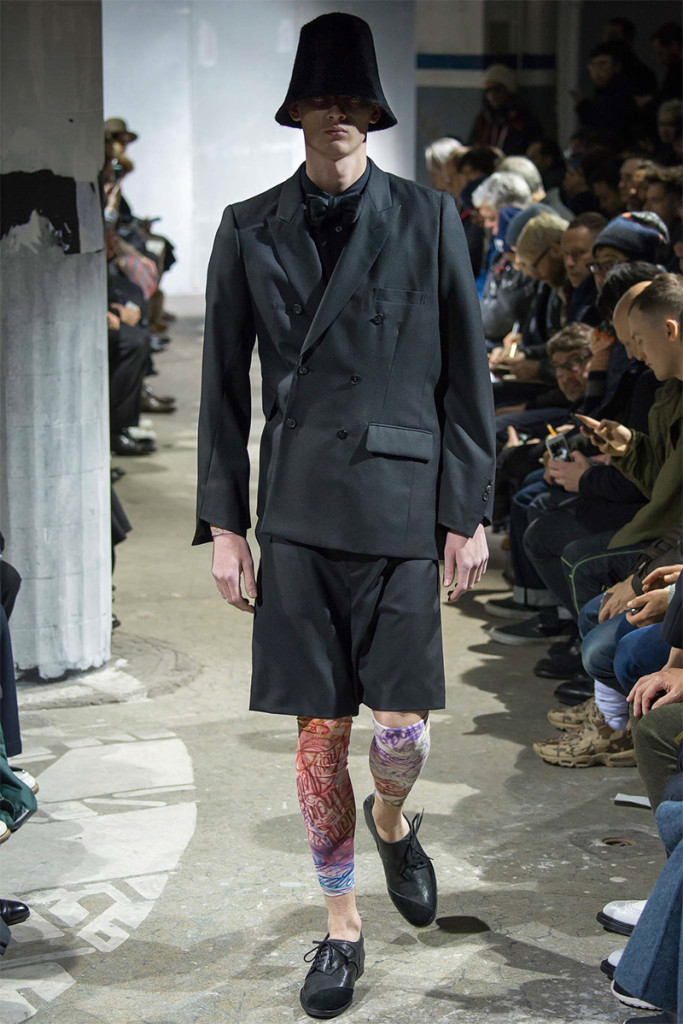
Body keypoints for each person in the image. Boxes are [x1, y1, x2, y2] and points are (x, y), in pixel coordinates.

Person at [194, 13, 496, 1018]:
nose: (337, 114)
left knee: (399, 728)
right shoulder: (248, 226)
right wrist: (224, 525)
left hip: (402, 504)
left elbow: (465, 378)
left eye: (352, 99)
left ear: (373, 112)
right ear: (296, 113)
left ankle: (392, 820)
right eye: (321, 98)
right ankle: (340, 925)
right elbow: (221, 386)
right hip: (298, 507)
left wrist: (468, 511)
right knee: (318, 732)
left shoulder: (428, 218)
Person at [469, 64, 542, 155]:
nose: (492, 95)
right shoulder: (483, 119)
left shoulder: (524, 121)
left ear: (508, 90)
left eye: (497, 89)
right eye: (488, 90)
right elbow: (471, 145)